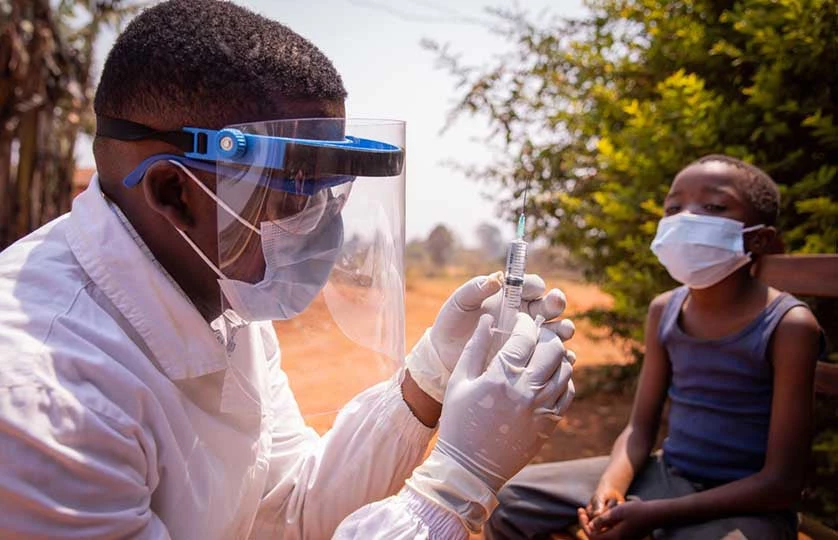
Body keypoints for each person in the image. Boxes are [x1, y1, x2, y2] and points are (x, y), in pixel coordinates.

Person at [0, 1, 577, 538]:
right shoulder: (47, 400)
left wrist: (430, 380)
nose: (323, 227)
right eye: (296, 195)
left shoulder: (222, 295)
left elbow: (290, 509)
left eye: (334, 196)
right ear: (174, 191)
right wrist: (454, 486)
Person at [486, 155, 824, 540]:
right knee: (510, 500)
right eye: (674, 207)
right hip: (665, 477)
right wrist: (610, 488)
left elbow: (781, 483)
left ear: (758, 238)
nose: (686, 218)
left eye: (713, 207)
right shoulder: (664, 310)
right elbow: (638, 428)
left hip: (748, 506)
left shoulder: (789, 325)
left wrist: (653, 514)